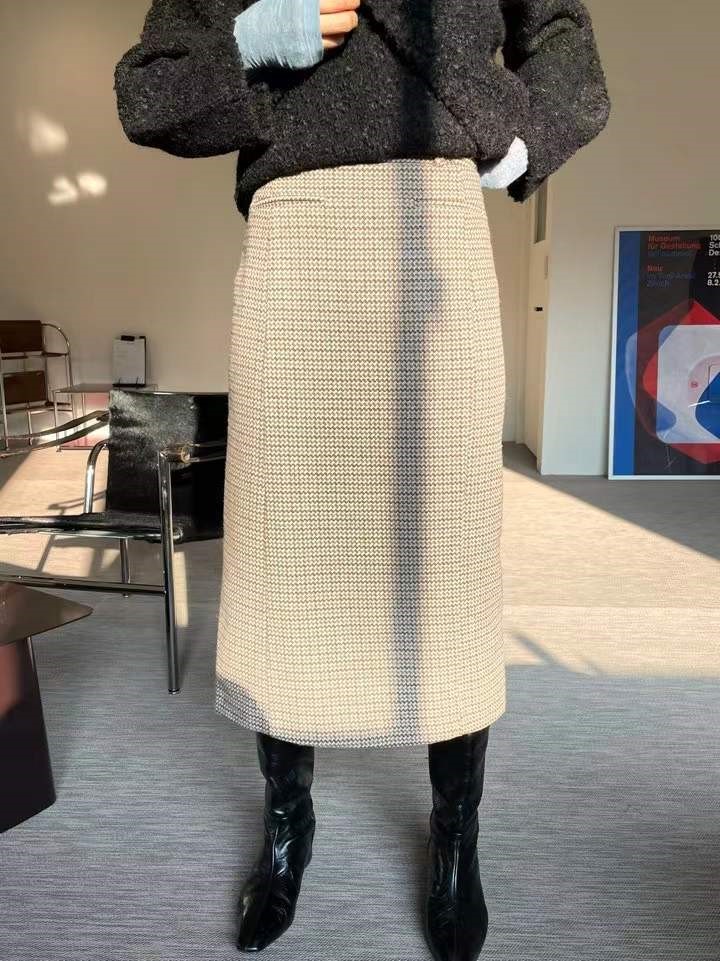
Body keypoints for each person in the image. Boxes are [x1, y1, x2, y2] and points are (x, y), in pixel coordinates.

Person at [114, 2, 611, 957]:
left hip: (440, 227)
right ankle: (288, 823)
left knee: (447, 559)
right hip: (296, 238)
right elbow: (149, 91)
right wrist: (251, 42)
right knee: (284, 556)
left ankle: (456, 833)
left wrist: (523, 136)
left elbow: (559, 32)